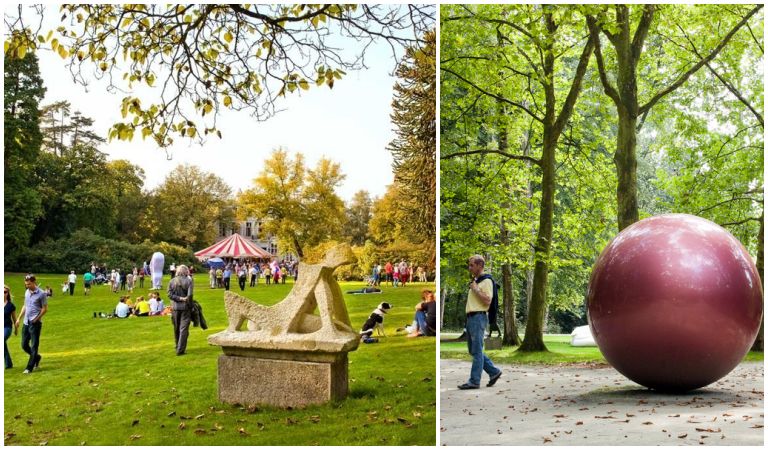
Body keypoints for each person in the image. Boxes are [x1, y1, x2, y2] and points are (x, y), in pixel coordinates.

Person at [458, 255, 502, 390]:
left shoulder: (487, 281)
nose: (469, 268)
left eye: (472, 265)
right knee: (473, 350)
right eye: (469, 265)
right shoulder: (476, 281)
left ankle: (474, 381)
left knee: (477, 350)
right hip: (471, 318)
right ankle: (494, 372)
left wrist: (476, 289)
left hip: (478, 317)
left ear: (479, 266)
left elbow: (488, 300)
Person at [15, 275, 48, 374]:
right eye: (26, 284)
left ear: (34, 282)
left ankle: (29, 367)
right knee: (24, 345)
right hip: (26, 322)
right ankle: (37, 357)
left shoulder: (42, 294)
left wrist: (36, 319)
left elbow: (44, 309)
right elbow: (25, 306)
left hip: (35, 323)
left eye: (29, 284)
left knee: (34, 345)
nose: (27, 286)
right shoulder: (26, 292)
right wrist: (18, 319)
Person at [168, 265, 193, 356]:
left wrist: (178, 298)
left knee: (176, 327)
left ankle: (177, 345)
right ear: (186, 271)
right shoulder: (189, 281)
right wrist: (186, 301)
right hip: (185, 308)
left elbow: (169, 295)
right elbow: (190, 296)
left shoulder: (172, 281)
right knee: (183, 329)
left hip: (175, 308)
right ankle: (180, 349)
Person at [5, 286, 19, 369]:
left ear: (8, 293)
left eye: (5, 292)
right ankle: (9, 364)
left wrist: (16, 329)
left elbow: (14, 319)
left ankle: (8, 364)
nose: (3, 294)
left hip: (7, 328)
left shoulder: (11, 305)